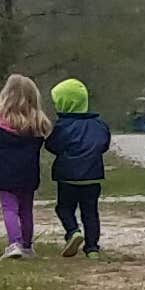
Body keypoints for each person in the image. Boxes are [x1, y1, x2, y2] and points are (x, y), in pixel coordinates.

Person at [0, 74, 50, 258]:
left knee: (9, 208)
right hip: (28, 172)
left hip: (3, 171)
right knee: (26, 209)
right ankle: (27, 245)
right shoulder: (37, 124)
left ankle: (14, 243)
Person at [45, 78, 111, 254]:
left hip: (68, 176)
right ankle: (92, 248)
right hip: (93, 176)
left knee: (64, 207)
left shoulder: (62, 126)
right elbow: (104, 145)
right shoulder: (99, 124)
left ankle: (73, 231)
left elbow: (52, 146)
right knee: (90, 212)